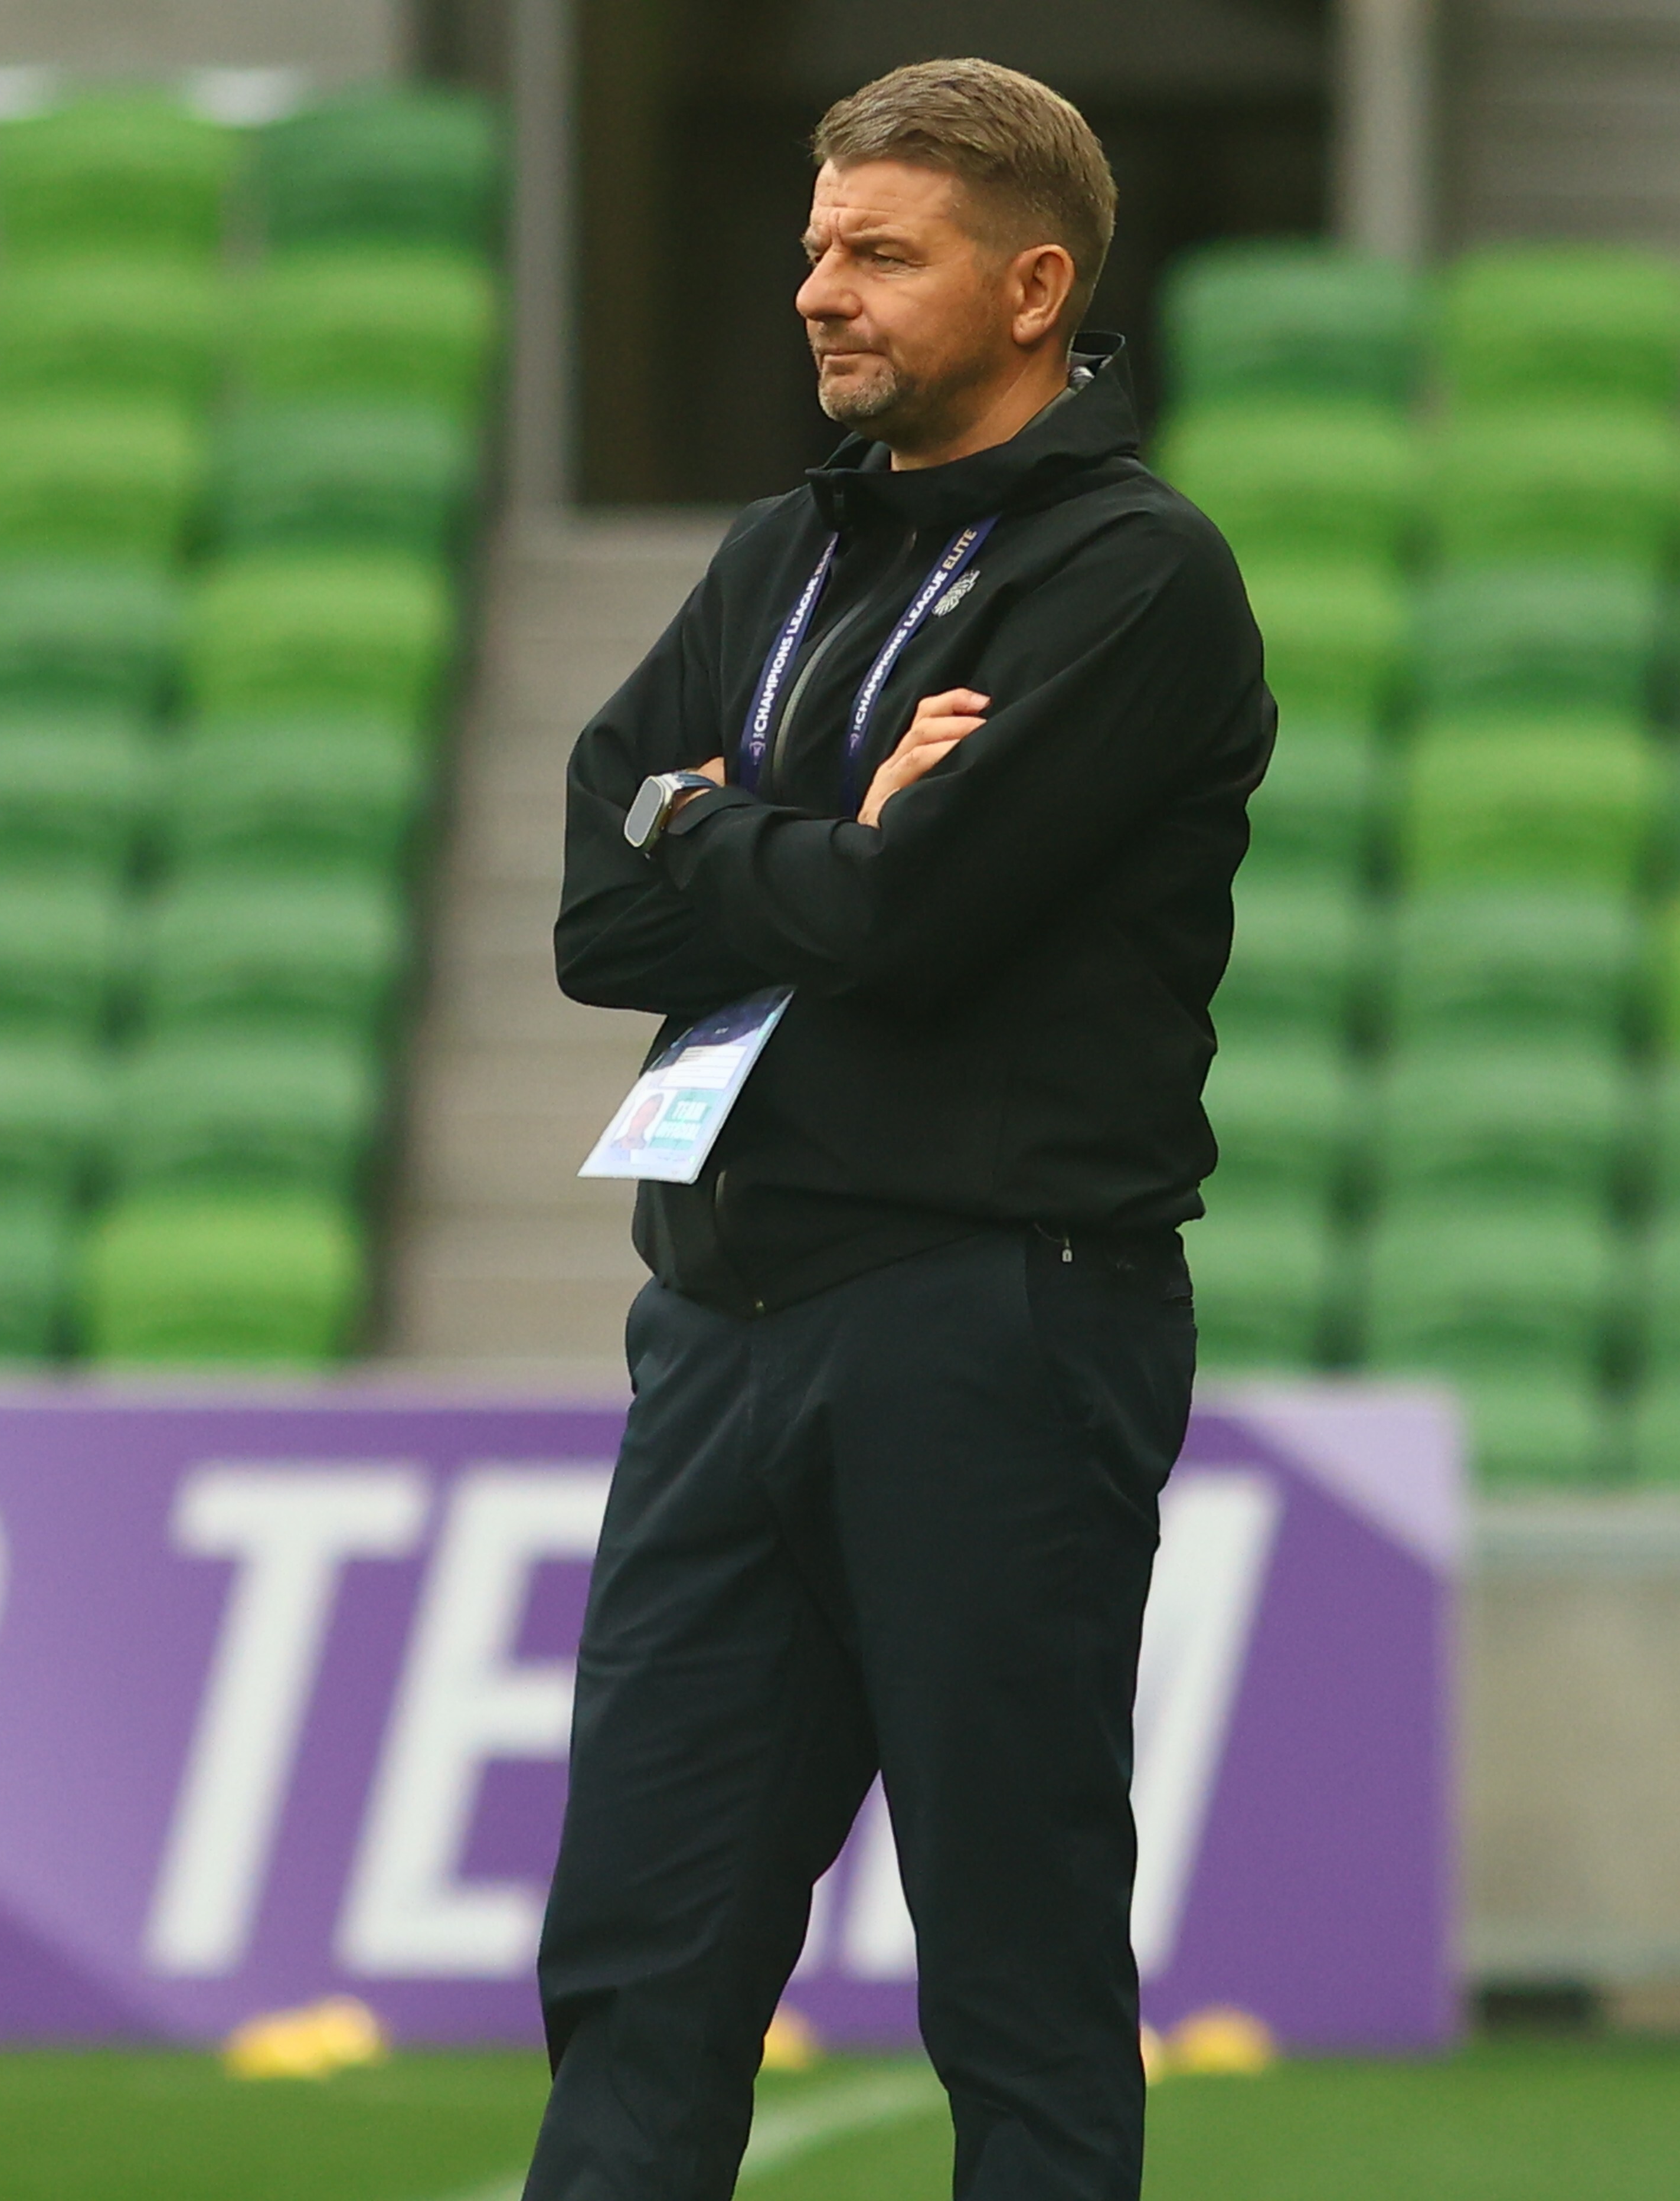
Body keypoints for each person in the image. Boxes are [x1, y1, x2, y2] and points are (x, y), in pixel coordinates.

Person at [536, 55, 1275, 2201]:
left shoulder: (1134, 575)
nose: (817, 292)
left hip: (990, 1323)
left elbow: (908, 918)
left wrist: (715, 827)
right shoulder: (782, 551)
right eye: (813, 250)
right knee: (640, 1959)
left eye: (879, 254)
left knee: (1013, 1972)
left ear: (1035, 288)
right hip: (721, 1326)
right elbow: (594, 912)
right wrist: (804, 835)